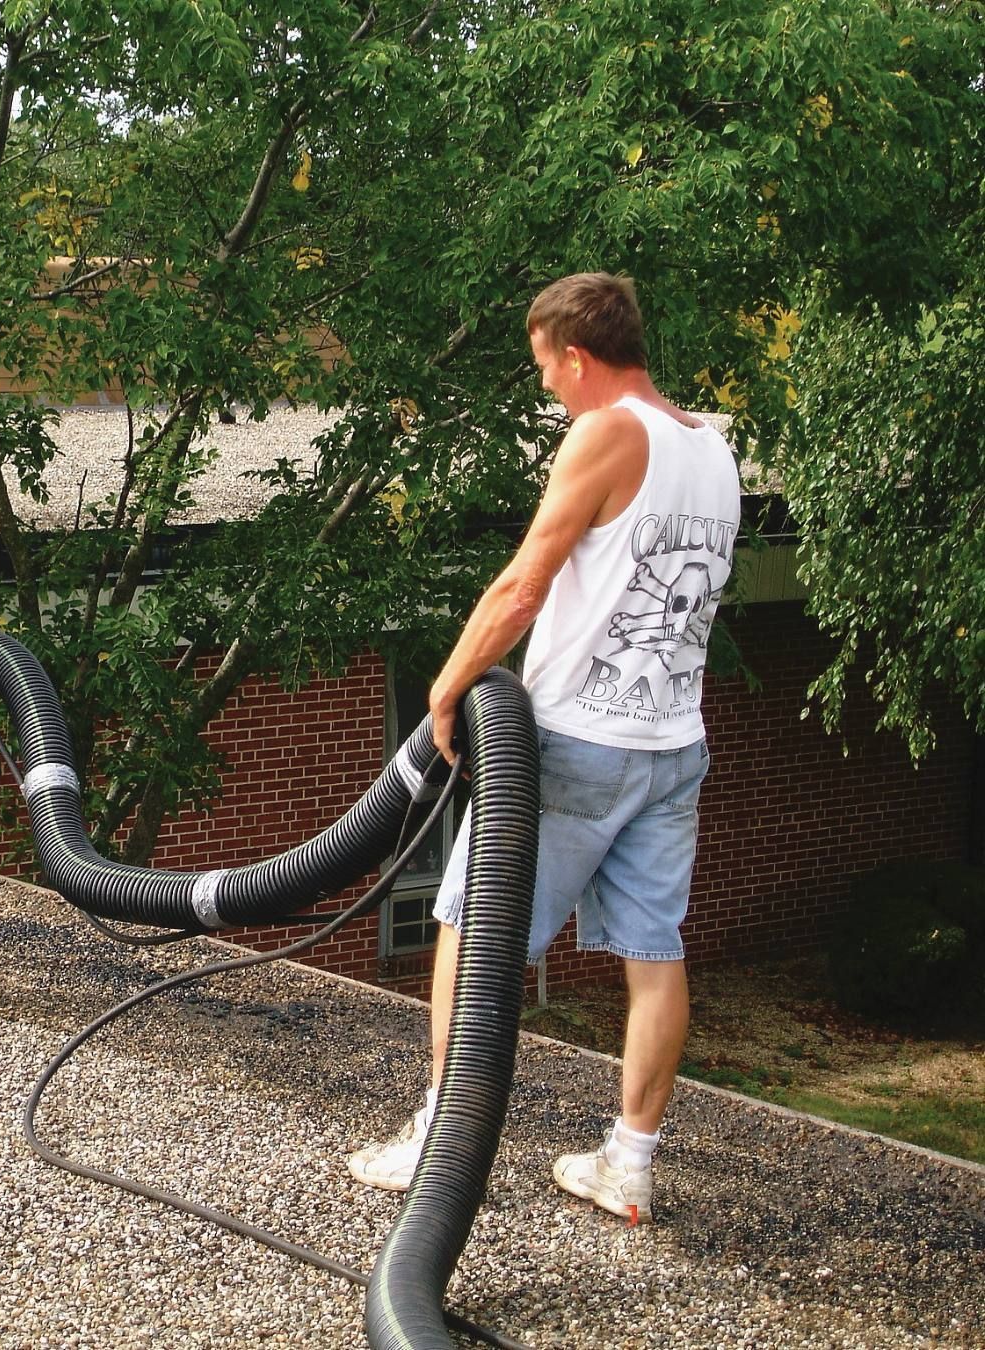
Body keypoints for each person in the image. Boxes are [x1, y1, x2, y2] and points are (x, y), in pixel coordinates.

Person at [347, 273, 740, 1223]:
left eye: (545, 370)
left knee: (466, 927)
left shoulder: (605, 433)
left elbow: (524, 584)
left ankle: (439, 1144)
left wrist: (445, 690)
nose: (547, 390)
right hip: (673, 744)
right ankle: (629, 1165)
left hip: (576, 746)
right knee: (654, 954)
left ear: (577, 354)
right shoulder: (713, 445)